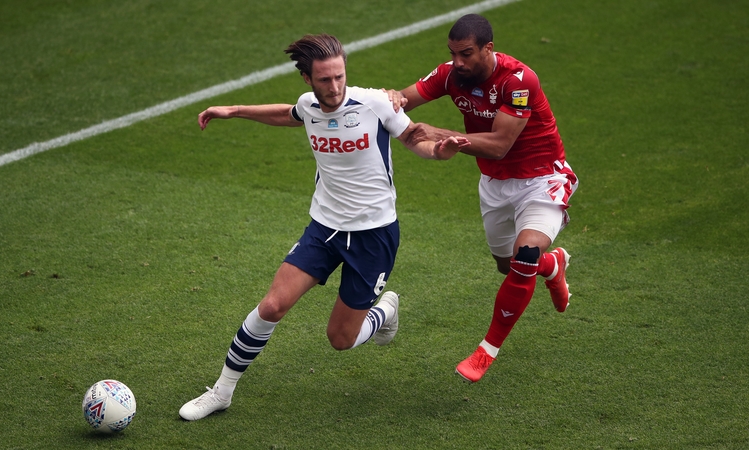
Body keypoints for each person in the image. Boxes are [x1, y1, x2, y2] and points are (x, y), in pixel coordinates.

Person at [179, 33, 469, 421]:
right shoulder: (308, 105)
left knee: (340, 339)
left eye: (339, 77)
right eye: (324, 80)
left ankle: (384, 310)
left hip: (374, 235)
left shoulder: (376, 103)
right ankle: (222, 391)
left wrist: (440, 150)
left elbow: (415, 140)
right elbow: (289, 114)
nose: (333, 87)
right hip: (325, 228)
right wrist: (233, 110)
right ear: (308, 80)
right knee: (272, 306)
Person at [386, 14, 579, 383]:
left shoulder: (518, 81)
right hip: (494, 185)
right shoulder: (450, 74)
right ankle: (552, 266)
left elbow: (500, 145)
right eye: (453, 53)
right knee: (508, 268)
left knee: (523, 256)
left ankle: (486, 351)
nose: (458, 62)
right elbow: (404, 100)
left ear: (488, 49)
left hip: (542, 180)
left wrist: (443, 132)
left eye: (467, 54)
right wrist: (391, 98)